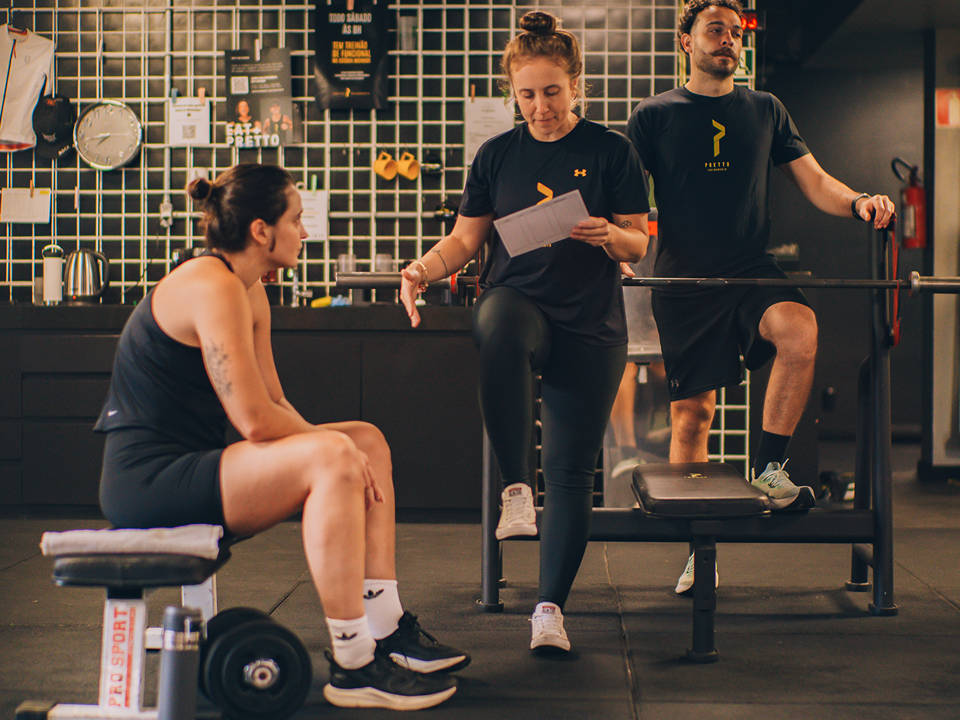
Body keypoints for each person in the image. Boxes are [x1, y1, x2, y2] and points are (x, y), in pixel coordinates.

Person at [94, 163, 468, 711]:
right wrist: (331, 456)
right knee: (335, 455)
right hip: (148, 483)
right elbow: (254, 421)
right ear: (261, 231)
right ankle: (354, 663)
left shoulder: (248, 291)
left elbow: (274, 404)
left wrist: (340, 452)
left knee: (364, 440)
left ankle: (385, 627)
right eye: (296, 219)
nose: (305, 231)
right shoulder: (210, 284)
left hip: (199, 464)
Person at [399, 11, 649, 653]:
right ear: (513, 92)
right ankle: (516, 490)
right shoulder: (496, 155)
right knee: (498, 319)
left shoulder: (611, 150)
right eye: (527, 94)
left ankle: (549, 610)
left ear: (576, 86)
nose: (541, 107)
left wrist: (609, 234)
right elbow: (465, 240)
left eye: (552, 92)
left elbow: (639, 242)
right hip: (522, 303)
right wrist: (421, 270)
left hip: (590, 323)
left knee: (569, 472)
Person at [625, 0, 896, 594]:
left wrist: (858, 202)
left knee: (799, 328)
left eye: (735, 31)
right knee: (692, 416)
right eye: (714, 29)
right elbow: (624, 195)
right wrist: (611, 241)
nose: (729, 39)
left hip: (748, 267)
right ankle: (698, 553)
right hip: (684, 280)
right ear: (686, 41)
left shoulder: (765, 109)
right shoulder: (652, 115)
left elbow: (815, 180)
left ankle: (769, 468)